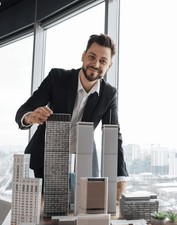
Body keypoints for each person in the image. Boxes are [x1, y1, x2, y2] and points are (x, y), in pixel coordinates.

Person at [15, 33, 128, 201]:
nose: (96, 64)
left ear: (109, 66)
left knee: (84, 212)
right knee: (45, 212)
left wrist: (120, 177)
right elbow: (24, 111)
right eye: (92, 56)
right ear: (83, 56)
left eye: (103, 61)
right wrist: (30, 117)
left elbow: (113, 135)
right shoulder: (57, 78)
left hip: (84, 163)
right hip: (46, 158)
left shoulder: (109, 94)